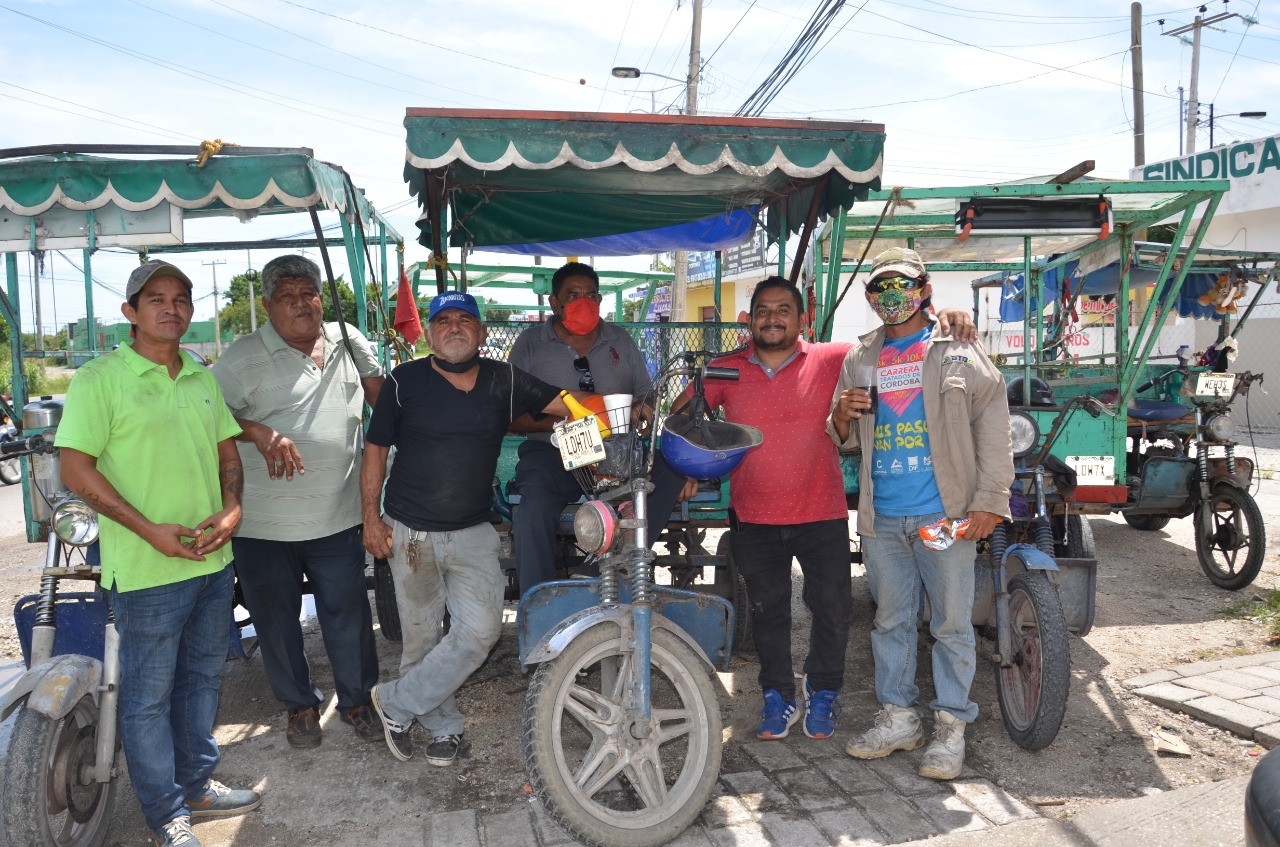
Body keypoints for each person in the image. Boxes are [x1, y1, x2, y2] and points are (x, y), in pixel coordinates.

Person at [689, 275, 976, 743]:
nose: (772, 318)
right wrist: (684, 464)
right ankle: (777, 695)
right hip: (753, 516)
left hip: (820, 514)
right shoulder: (725, 369)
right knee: (769, 612)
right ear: (749, 320)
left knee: (833, 610)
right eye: (762, 310)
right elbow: (685, 415)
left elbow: (894, 341)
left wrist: (945, 316)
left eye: (783, 310)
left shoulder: (833, 358)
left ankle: (823, 692)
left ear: (803, 320)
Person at [57, 260, 260, 847]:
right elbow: (75, 469)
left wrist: (232, 509)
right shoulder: (100, 379)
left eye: (181, 299)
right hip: (148, 569)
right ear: (130, 312)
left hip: (213, 562)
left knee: (202, 679)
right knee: (147, 698)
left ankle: (196, 782)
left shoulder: (199, 376)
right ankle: (167, 813)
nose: (171, 309)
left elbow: (228, 454)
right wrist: (148, 530)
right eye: (156, 300)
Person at [362, 291, 586, 766]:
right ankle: (443, 726)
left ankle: (395, 703)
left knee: (481, 631)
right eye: (444, 320)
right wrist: (370, 517)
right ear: (429, 331)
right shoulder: (405, 381)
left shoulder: (503, 379)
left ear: (483, 333)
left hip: (473, 531)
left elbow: (561, 401)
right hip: (411, 534)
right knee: (421, 637)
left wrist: (592, 418)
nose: (455, 327)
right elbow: (376, 450)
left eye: (467, 319)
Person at [829, 247, 1013, 781]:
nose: (892, 295)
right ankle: (899, 718)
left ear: (924, 289)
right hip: (883, 516)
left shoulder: (958, 346)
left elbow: (992, 425)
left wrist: (988, 502)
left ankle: (951, 727)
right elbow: (843, 440)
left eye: (902, 284)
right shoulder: (859, 358)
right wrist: (839, 415)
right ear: (869, 297)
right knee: (890, 620)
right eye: (880, 286)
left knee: (952, 623)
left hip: (943, 516)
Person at [211, 255, 384, 749]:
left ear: (321, 297)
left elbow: (383, 406)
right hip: (263, 523)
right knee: (274, 615)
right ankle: (300, 706)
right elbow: (205, 416)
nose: (300, 304)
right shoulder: (242, 358)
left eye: (308, 293)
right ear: (266, 305)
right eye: (286, 296)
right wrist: (258, 430)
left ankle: (356, 700)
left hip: (337, 514)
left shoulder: (350, 342)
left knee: (347, 609)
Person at [507, 261, 695, 594]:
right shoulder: (530, 344)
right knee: (531, 508)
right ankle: (538, 603)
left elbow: (647, 393)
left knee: (670, 469)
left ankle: (595, 574)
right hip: (552, 452)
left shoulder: (619, 340)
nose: (585, 301)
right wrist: (565, 421)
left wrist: (645, 410)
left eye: (592, 295)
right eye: (573, 295)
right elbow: (510, 413)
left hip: (617, 451)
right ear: (554, 302)